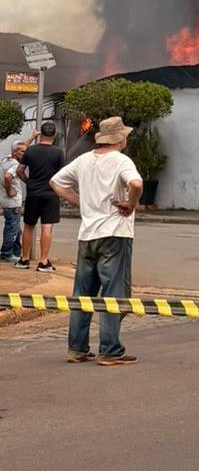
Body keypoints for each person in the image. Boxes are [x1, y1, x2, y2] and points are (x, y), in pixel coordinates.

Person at [50, 116, 143, 366]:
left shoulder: (84, 160)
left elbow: (55, 182)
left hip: (87, 234)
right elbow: (136, 183)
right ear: (119, 139)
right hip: (115, 234)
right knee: (113, 293)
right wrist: (130, 204)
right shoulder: (122, 161)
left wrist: (80, 202)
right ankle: (110, 349)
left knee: (82, 293)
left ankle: (77, 348)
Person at [15, 121, 65, 272]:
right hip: (50, 193)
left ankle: (24, 259)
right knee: (47, 227)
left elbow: (19, 171)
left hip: (33, 193)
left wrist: (29, 182)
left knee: (29, 226)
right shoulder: (58, 153)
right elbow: (63, 175)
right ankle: (43, 261)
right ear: (54, 135)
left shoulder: (31, 151)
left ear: (41, 134)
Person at [0, 139, 28, 261]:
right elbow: (7, 177)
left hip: (5, 201)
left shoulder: (5, 159)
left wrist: (32, 137)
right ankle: (6, 253)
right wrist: (9, 190)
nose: (25, 154)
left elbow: (20, 145)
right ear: (16, 153)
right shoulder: (15, 165)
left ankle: (16, 252)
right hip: (12, 202)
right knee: (12, 228)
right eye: (22, 152)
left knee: (16, 228)